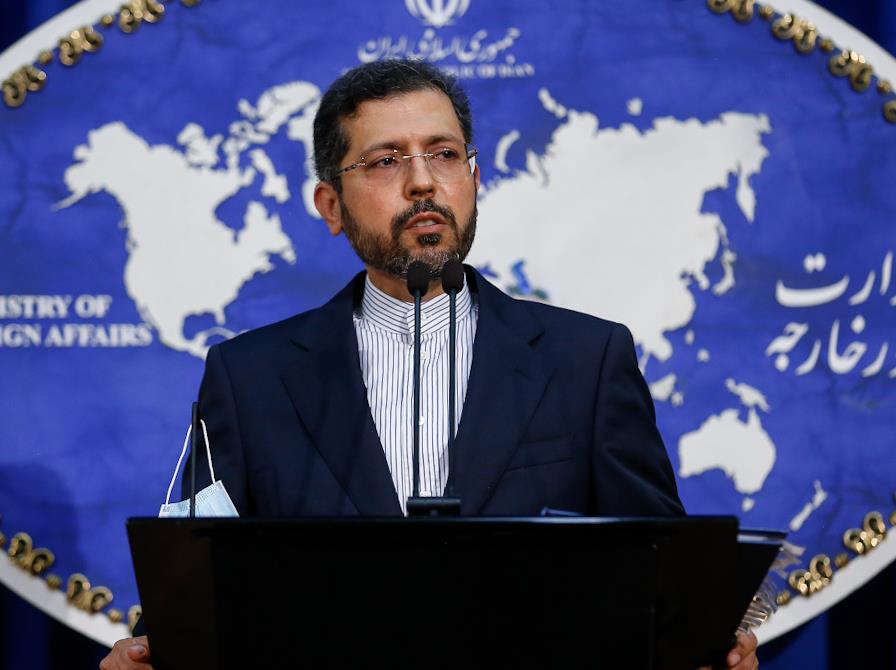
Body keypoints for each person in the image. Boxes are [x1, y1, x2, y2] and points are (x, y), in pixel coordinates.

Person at [101, 59, 758, 670]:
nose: (422, 181)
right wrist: (152, 653)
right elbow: (192, 597)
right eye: (386, 161)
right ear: (331, 206)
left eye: (444, 154)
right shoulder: (250, 378)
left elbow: (665, 581)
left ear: (474, 179)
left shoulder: (586, 362)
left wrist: (703, 643)